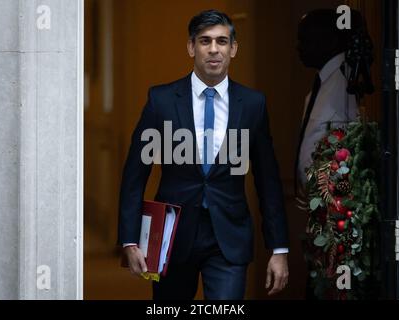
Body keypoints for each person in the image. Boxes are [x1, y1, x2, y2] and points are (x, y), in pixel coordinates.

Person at [118, 9, 289, 300]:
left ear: (233, 48)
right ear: (191, 47)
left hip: (228, 237)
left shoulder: (252, 104)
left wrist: (279, 248)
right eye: (204, 41)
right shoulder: (161, 100)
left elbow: (268, 180)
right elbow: (135, 174)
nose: (213, 49)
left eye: (222, 41)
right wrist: (130, 240)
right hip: (171, 237)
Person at [295, 9, 363, 189]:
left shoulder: (344, 81)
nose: (299, 47)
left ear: (330, 41)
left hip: (334, 200)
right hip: (321, 201)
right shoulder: (325, 81)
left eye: (306, 40)